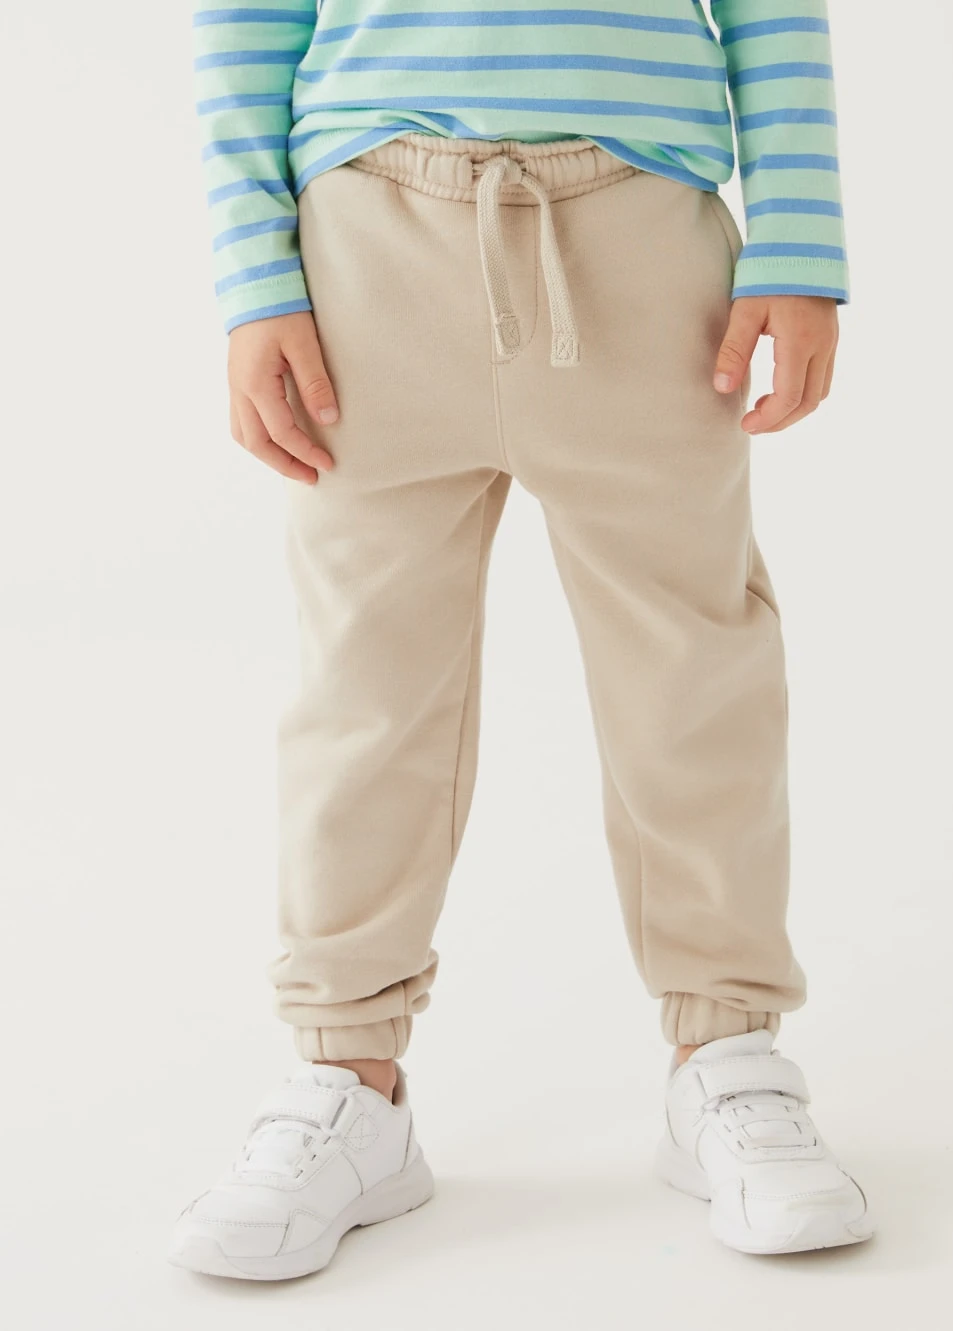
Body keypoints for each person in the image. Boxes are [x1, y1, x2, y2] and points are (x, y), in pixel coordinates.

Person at [170, 1, 872, 1279]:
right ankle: (347, 1075)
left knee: (690, 668)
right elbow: (245, 18)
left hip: (644, 234)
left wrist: (798, 243)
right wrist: (254, 277)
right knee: (364, 687)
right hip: (367, 244)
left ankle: (724, 1053)